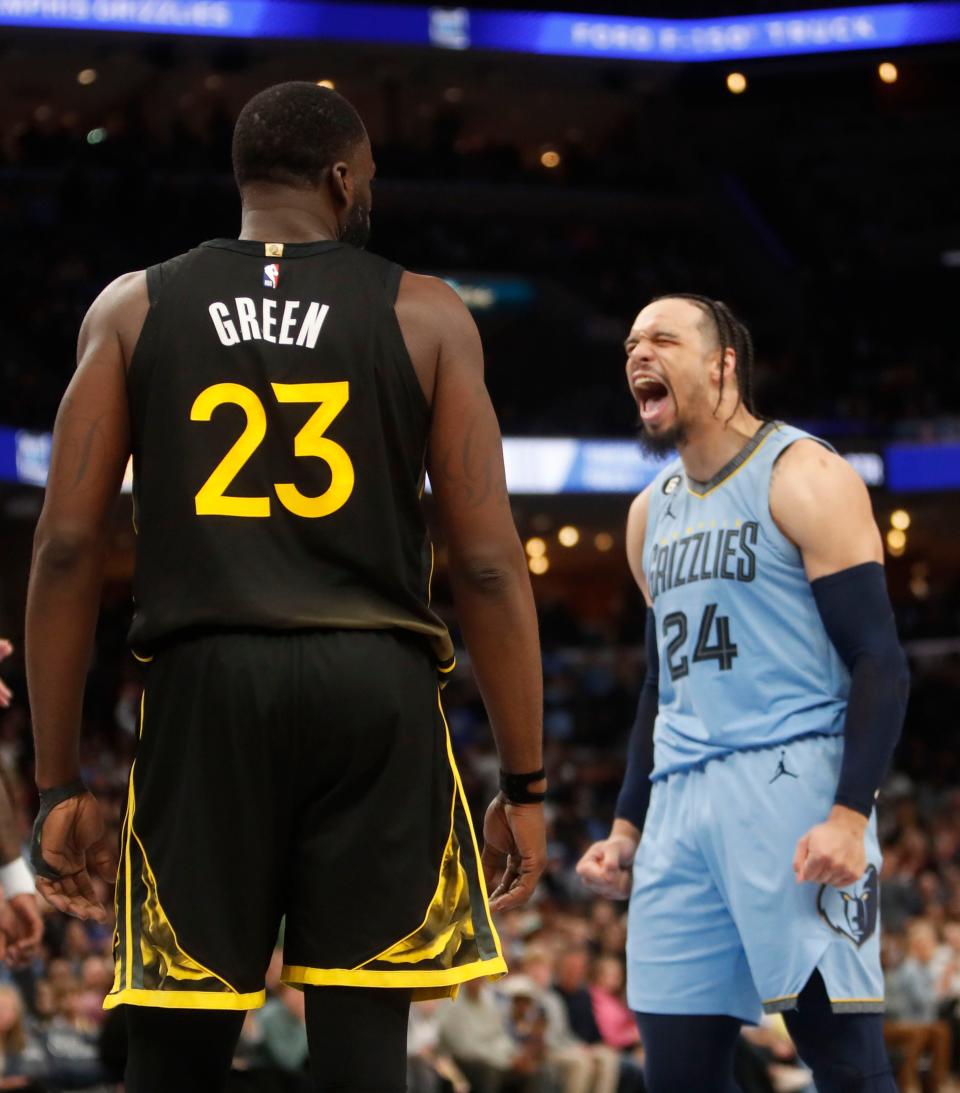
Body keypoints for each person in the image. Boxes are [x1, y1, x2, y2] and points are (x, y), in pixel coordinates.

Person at [24, 81, 546, 1093]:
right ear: (344, 180)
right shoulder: (426, 311)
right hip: (374, 689)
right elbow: (484, 561)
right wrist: (523, 784)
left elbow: (63, 549)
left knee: (173, 1050)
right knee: (362, 1058)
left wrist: (56, 785)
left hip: (204, 686)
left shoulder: (133, 306)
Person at [577, 294, 909, 1092]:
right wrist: (627, 826)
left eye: (662, 339)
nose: (637, 355)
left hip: (791, 787)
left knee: (845, 1065)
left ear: (725, 364)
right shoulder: (645, 516)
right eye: (630, 343)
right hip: (681, 807)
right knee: (679, 1076)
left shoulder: (804, 473)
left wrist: (847, 814)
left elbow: (880, 658)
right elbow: (663, 684)